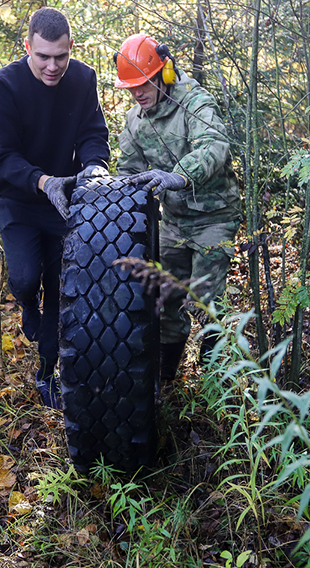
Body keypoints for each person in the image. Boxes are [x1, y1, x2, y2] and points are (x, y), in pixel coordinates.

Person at [0, 7, 110, 407]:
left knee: (60, 289)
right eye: (43, 56)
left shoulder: (83, 79)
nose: (53, 66)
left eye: (61, 56)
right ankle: (26, 305)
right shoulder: (4, 85)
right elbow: (4, 155)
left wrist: (93, 167)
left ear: (71, 47)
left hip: (66, 204)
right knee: (25, 279)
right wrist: (43, 181)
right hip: (20, 201)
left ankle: (46, 372)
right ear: (28, 47)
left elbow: (93, 132)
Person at [114, 33, 241, 381]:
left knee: (204, 302)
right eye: (131, 87)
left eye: (143, 83)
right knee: (166, 300)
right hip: (173, 222)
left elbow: (215, 145)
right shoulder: (134, 122)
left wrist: (179, 176)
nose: (138, 93)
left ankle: (216, 387)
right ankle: (167, 382)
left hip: (214, 216)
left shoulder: (193, 102)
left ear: (164, 74)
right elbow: (128, 172)